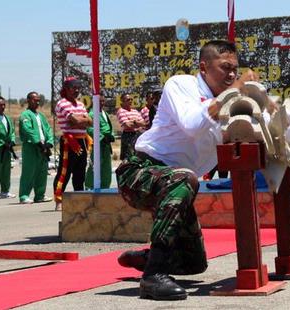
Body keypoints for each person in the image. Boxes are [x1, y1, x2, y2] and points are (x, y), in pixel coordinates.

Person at [115, 40, 260, 301]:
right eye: (225, 67)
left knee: (194, 264)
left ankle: (149, 258)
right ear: (203, 67)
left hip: (176, 184)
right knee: (184, 178)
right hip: (140, 172)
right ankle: (153, 277)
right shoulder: (182, 85)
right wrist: (232, 93)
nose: (231, 75)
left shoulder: (226, 104)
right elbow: (192, 124)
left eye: (235, 70)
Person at [53, 77, 92, 211]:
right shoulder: (62, 104)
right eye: (73, 87)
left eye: (78, 88)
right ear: (66, 89)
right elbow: (75, 120)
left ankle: (79, 198)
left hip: (82, 140)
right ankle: (59, 200)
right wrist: (81, 120)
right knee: (65, 171)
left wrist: (79, 121)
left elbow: (90, 121)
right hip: (70, 141)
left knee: (80, 172)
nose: (76, 90)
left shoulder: (80, 104)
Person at [18, 92, 54, 204]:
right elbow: (28, 130)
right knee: (29, 172)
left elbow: (48, 130)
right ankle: (24, 195)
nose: (37, 102)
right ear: (28, 100)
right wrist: (38, 143)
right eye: (34, 100)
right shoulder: (25, 115)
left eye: (38, 100)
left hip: (43, 148)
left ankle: (39, 195)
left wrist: (49, 143)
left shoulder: (41, 116)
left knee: (42, 171)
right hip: (31, 147)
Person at [85, 94, 115, 189]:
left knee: (106, 167)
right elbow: (89, 129)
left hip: (106, 145)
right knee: (95, 167)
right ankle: (89, 186)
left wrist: (111, 136)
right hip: (98, 144)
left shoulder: (104, 113)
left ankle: (105, 187)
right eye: (99, 101)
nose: (101, 103)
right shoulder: (91, 114)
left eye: (103, 101)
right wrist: (101, 137)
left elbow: (109, 127)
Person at [117, 93, 146, 160]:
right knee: (128, 157)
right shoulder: (121, 111)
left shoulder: (135, 111)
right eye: (128, 100)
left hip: (137, 135)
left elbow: (144, 123)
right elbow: (127, 125)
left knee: (137, 156)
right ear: (123, 101)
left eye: (131, 99)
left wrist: (134, 122)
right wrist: (137, 123)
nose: (130, 101)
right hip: (128, 136)